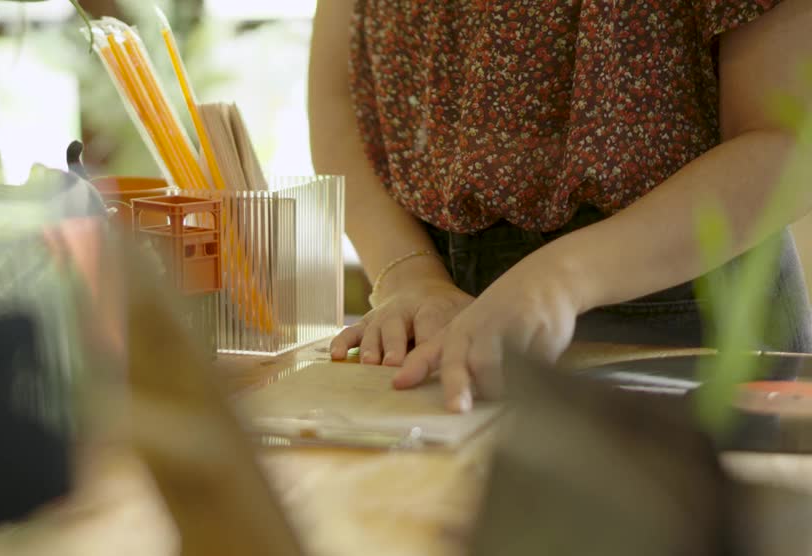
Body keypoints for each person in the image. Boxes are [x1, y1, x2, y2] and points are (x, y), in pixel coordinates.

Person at [309, 0, 812, 412]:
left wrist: (558, 281)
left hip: (679, 302)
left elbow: (789, 139)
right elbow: (339, 103)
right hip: (436, 305)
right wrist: (408, 274)